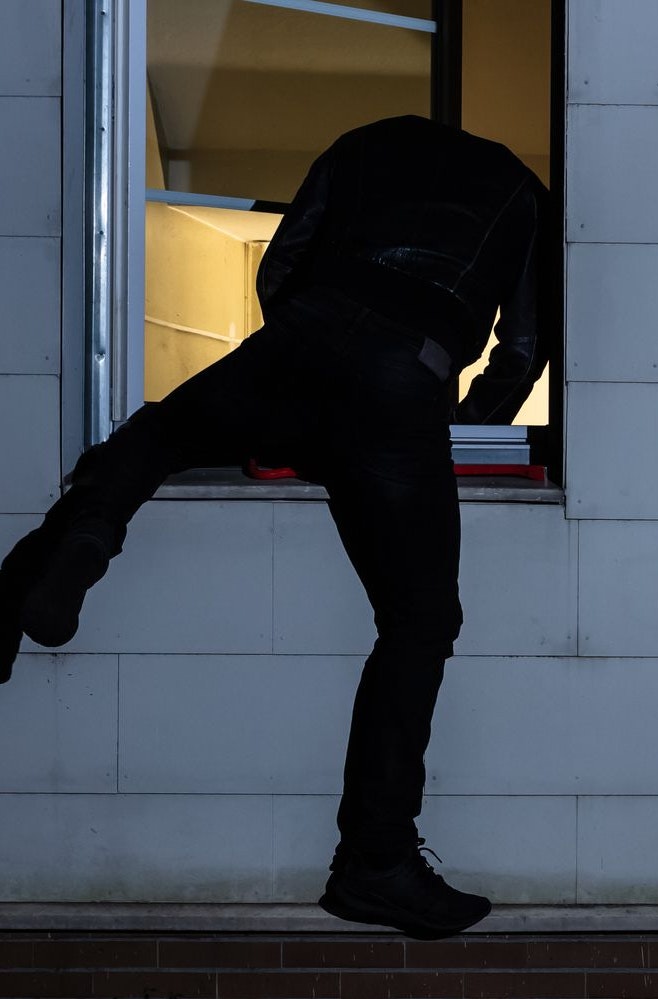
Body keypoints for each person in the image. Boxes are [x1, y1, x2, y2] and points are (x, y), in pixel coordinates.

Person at [0, 115, 552, 940]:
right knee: (421, 621)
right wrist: (464, 425)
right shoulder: (522, 192)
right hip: (407, 371)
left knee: (153, 437)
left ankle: (43, 574)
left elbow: (288, 255)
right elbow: (523, 346)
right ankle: (375, 862)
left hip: (307, 336)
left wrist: (303, 360)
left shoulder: (368, 140)